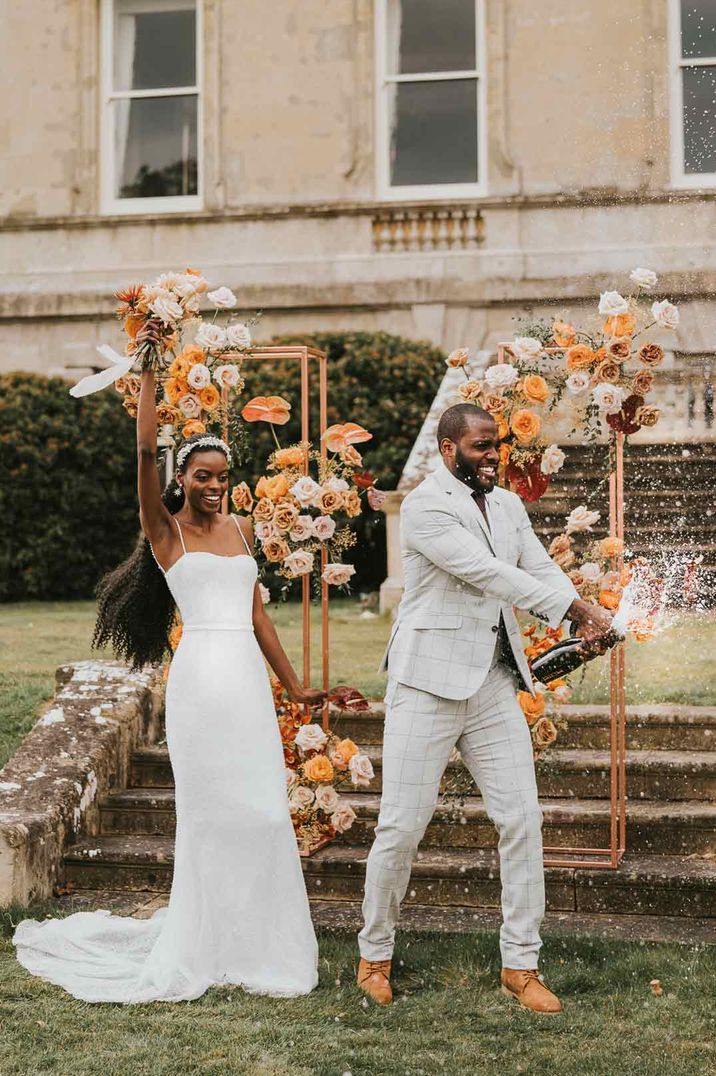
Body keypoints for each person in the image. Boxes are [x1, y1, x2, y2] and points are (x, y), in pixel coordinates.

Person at [13, 367, 324, 1003]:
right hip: (202, 685)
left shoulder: (241, 531)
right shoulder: (166, 532)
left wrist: (293, 687)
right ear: (182, 479)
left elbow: (259, 613)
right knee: (209, 818)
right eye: (201, 476)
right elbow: (142, 452)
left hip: (246, 684)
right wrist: (151, 373)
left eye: (221, 476)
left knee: (264, 814)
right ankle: (204, 944)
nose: (213, 486)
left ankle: (258, 941)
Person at [357, 403, 616, 1014]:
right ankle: (374, 954)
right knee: (401, 826)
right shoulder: (425, 506)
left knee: (522, 819)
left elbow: (536, 565)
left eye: (496, 444)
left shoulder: (505, 504)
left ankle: (520, 964)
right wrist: (574, 612)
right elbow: (486, 573)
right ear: (449, 450)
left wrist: (580, 610)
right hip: (426, 683)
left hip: (494, 681)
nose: (493, 455)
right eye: (480, 446)